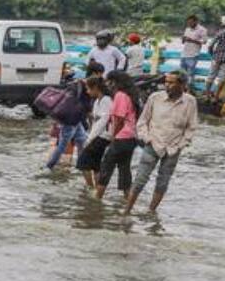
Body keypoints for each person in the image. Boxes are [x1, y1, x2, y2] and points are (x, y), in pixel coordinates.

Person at [124, 71, 198, 215]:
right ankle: (127, 211)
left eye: (171, 83)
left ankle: (151, 212)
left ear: (182, 85)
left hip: (173, 148)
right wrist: (147, 138)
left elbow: (191, 127)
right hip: (153, 144)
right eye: (166, 82)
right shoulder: (155, 98)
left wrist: (181, 145)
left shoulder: (190, 101)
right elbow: (143, 121)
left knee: (163, 181)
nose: (167, 85)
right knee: (140, 179)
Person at [91, 70, 141, 202]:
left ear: (114, 82)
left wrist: (113, 136)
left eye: (108, 81)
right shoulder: (131, 95)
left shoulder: (120, 95)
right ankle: (128, 201)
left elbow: (119, 118)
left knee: (106, 168)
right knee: (124, 169)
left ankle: (97, 199)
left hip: (121, 138)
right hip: (131, 138)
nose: (107, 84)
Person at [46, 72, 91, 170]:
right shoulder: (85, 90)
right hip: (71, 120)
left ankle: (81, 165)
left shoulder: (74, 87)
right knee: (63, 144)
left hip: (74, 119)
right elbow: (87, 109)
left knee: (81, 140)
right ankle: (50, 165)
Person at [75, 76, 112, 191]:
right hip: (98, 136)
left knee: (82, 162)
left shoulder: (106, 100)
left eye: (89, 89)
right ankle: (97, 189)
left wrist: (89, 138)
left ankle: (91, 187)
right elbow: (95, 121)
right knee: (96, 165)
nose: (87, 91)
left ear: (96, 88)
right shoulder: (97, 101)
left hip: (103, 136)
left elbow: (103, 121)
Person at [205, 15, 225, 101]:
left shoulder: (221, 32)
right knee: (222, 78)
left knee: (211, 75)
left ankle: (207, 95)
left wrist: (211, 53)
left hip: (217, 57)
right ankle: (216, 97)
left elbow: (211, 45)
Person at [181, 15, 207, 87]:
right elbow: (183, 42)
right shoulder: (187, 29)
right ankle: (182, 88)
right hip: (184, 54)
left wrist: (192, 40)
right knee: (182, 74)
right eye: (188, 23)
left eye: (191, 22)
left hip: (193, 54)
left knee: (190, 74)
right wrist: (183, 39)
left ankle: (189, 89)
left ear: (196, 21)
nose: (189, 24)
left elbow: (204, 41)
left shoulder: (202, 29)